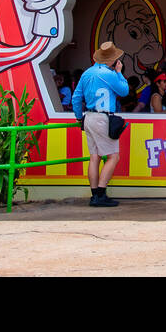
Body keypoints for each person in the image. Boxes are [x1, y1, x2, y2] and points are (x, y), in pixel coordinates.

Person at [72, 41, 130, 207]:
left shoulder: (87, 73)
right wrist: (119, 72)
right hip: (103, 118)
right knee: (113, 156)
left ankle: (94, 194)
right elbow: (124, 91)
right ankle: (100, 193)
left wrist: (79, 118)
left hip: (88, 117)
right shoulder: (109, 74)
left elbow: (76, 98)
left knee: (94, 157)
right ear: (112, 60)